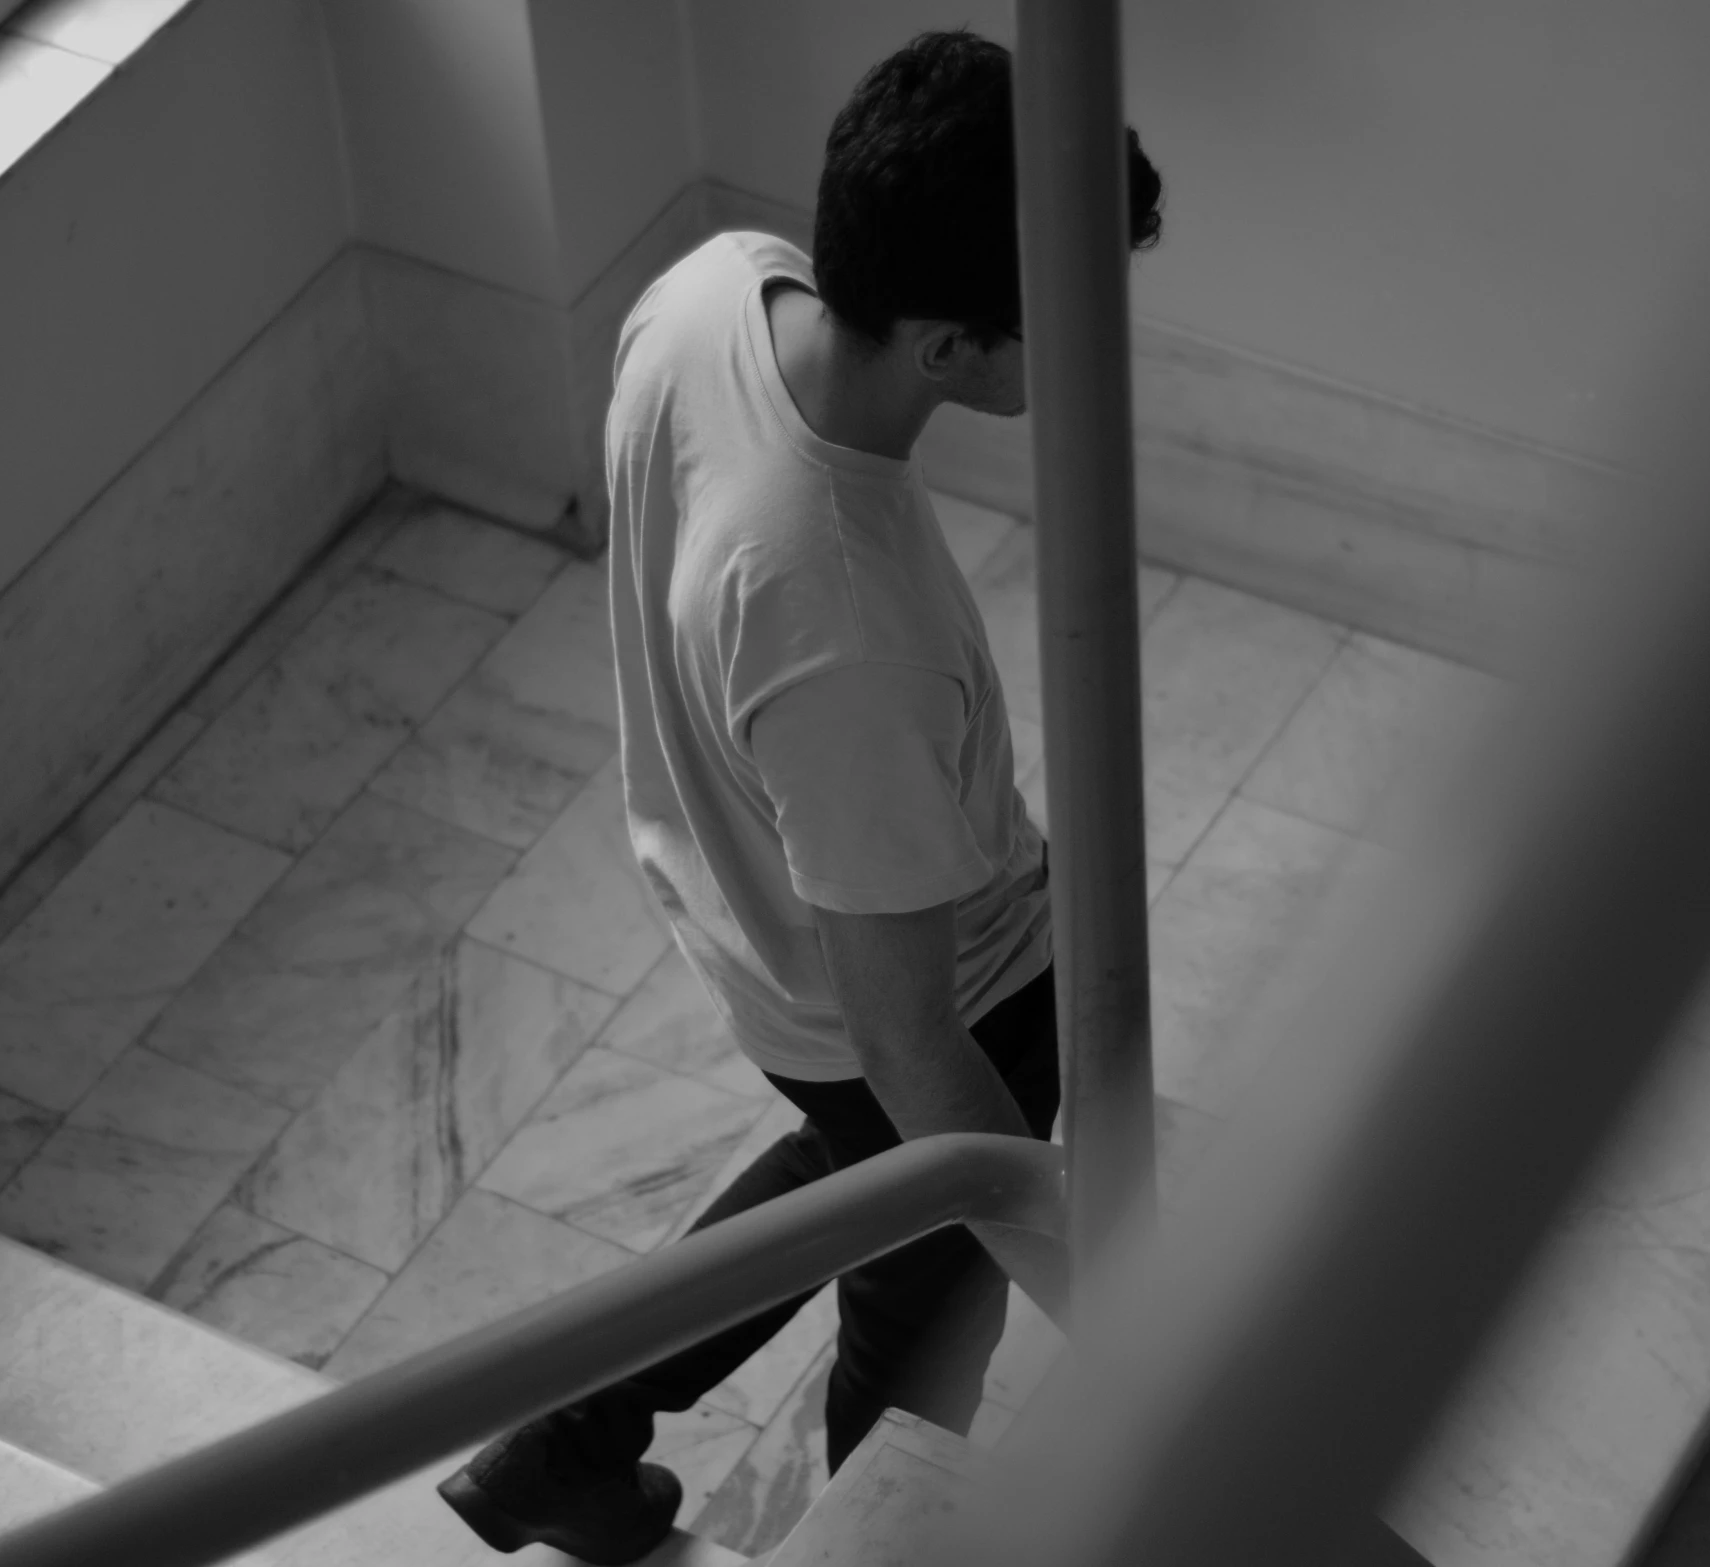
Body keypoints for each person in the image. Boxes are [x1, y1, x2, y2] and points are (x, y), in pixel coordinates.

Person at [435, 28, 1165, 1564]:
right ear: (951, 346)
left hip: (770, 923)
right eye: (1068, 320)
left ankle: (557, 1444)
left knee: (837, 1175)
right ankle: (873, 1533)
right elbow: (907, 1045)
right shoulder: (842, 623)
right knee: (918, 1329)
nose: (1102, 346)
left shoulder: (722, 286)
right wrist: (1086, 1287)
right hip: (939, 1000)